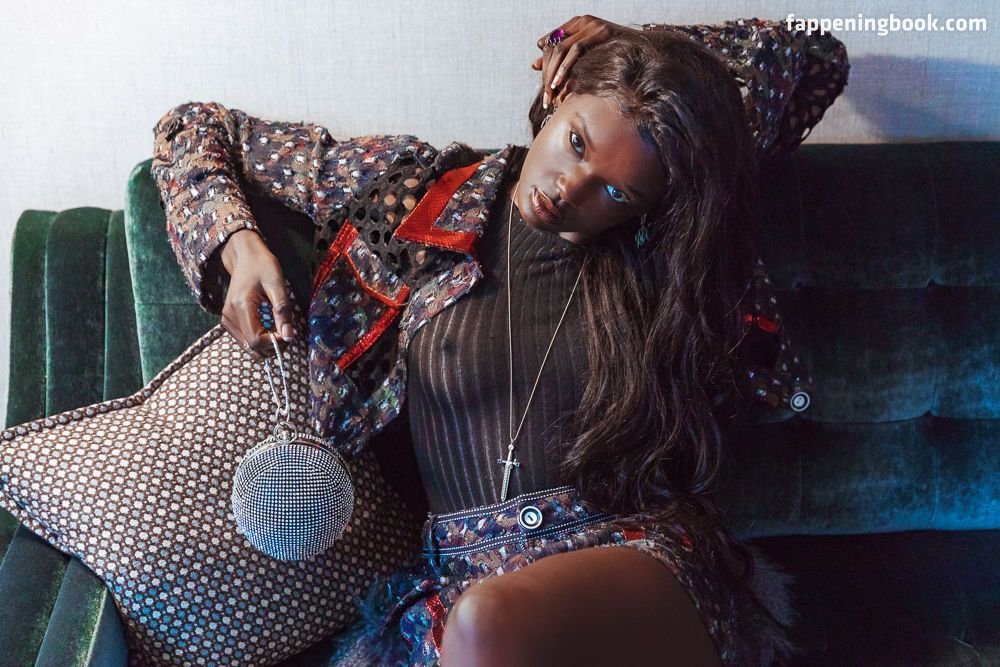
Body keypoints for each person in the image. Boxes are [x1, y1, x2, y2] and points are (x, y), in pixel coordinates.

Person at [151, 15, 849, 666]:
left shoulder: (655, 255)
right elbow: (192, 127)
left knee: (490, 622)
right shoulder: (410, 191)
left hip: (631, 560)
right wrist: (238, 245)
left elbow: (815, 56)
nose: (571, 189)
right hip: (458, 583)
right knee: (480, 622)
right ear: (559, 92)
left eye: (615, 193)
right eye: (576, 143)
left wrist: (644, 47)